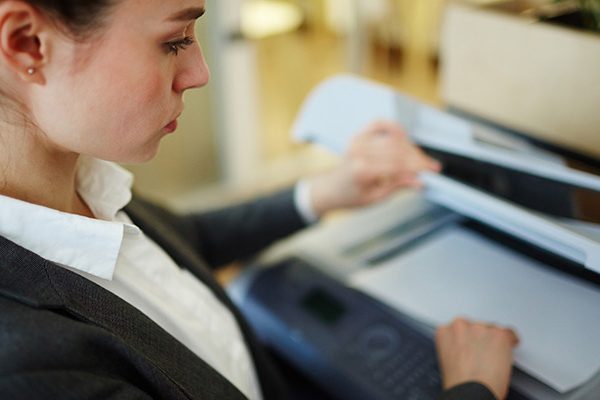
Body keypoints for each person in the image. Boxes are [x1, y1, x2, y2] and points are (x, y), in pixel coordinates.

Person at [0, 1, 519, 399]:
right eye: (175, 40)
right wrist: (471, 389)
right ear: (28, 43)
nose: (200, 72)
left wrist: (323, 193)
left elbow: (182, 241)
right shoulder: (30, 369)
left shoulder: (80, 179)